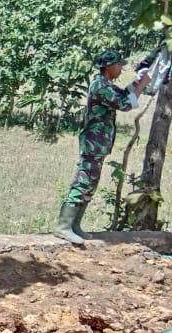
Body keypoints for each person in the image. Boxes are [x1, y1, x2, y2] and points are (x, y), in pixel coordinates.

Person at [54, 49, 149, 244]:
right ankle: (63, 226)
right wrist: (143, 86)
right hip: (92, 143)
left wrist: (137, 83)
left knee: (90, 183)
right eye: (118, 65)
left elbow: (122, 94)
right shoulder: (100, 86)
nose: (121, 68)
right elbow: (125, 104)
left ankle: (74, 226)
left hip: (98, 143)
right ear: (108, 67)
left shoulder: (105, 84)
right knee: (83, 181)